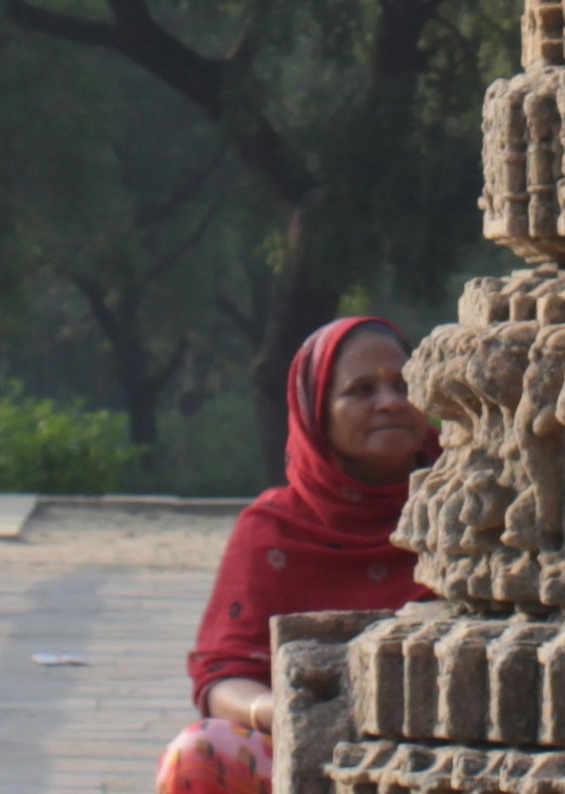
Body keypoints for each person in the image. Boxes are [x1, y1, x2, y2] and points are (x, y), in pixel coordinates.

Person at [161, 318, 436, 794]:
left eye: (404, 384)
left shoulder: (475, 508)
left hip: (447, 756)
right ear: (316, 413)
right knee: (199, 755)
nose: (390, 403)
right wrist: (276, 712)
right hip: (308, 755)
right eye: (361, 390)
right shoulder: (273, 531)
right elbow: (222, 675)